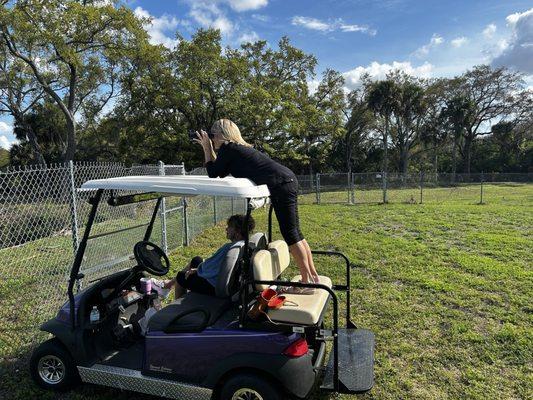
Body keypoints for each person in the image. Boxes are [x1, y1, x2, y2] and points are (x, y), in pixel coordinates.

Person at [194, 118, 319, 288]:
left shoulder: (228, 148)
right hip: (286, 180)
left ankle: (306, 281)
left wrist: (206, 147)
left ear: (220, 135)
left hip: (281, 184)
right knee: (295, 233)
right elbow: (219, 171)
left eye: (212, 135)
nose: (212, 139)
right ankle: (312, 277)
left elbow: (212, 172)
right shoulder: (234, 150)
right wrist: (209, 146)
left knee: (291, 234)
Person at [164, 214, 255, 298]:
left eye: (230, 227)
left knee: (181, 276)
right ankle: (170, 284)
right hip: (226, 282)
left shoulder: (229, 248)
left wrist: (197, 270)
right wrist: (198, 268)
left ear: (237, 231)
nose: (226, 229)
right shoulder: (243, 245)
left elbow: (209, 268)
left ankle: (177, 309)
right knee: (197, 260)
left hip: (214, 287)